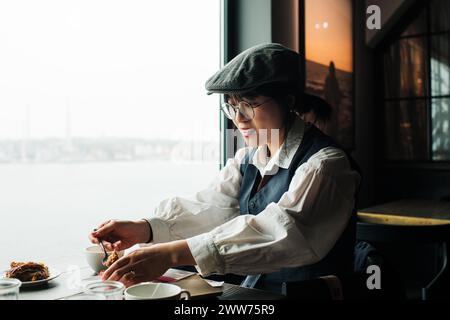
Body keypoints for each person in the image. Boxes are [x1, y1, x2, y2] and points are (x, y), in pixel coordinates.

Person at [89, 43, 362, 294]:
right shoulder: (247, 160)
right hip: (254, 292)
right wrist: (145, 229)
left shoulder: (325, 165)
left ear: (289, 101)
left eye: (249, 104)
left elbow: (283, 233)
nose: (239, 119)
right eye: (231, 107)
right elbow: (211, 209)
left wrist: (170, 254)